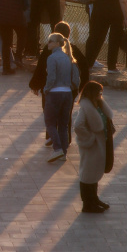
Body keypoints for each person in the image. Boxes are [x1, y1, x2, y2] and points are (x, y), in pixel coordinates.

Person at [73, 81, 114, 213]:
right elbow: (78, 126)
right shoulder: (86, 107)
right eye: (99, 93)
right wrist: (89, 139)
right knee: (87, 174)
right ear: (92, 93)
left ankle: (94, 198)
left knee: (95, 172)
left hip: (100, 144)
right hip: (92, 146)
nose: (100, 95)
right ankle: (87, 204)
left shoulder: (98, 104)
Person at [41, 32, 81, 163]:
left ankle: (57, 148)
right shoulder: (68, 57)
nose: (48, 43)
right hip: (67, 93)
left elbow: (51, 77)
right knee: (63, 124)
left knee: (50, 122)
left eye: (50, 41)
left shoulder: (52, 58)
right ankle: (63, 153)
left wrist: (46, 89)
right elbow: (76, 79)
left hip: (55, 93)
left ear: (57, 44)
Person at [83, 0, 126, 78]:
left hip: (99, 13)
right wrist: (125, 17)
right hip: (116, 13)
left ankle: (88, 64)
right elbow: (123, 0)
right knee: (114, 40)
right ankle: (112, 67)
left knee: (96, 38)